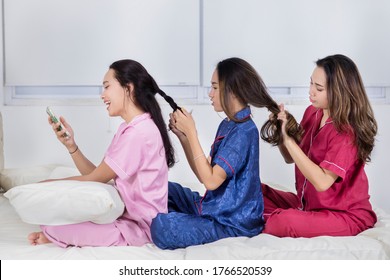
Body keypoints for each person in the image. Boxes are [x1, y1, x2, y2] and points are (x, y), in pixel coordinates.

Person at [150, 57, 300, 249]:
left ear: (233, 90)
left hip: (231, 223)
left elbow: (211, 181)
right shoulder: (228, 124)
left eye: (214, 87)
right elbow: (205, 175)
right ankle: (187, 219)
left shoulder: (244, 131)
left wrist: (192, 133)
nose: (210, 94)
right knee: (162, 187)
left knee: (162, 227)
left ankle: (185, 221)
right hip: (213, 207)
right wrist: (184, 138)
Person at [28, 59, 180, 247]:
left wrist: (45, 186)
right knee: (56, 219)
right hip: (126, 219)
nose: (103, 95)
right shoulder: (131, 128)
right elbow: (97, 174)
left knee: (53, 226)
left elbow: (96, 178)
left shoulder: (138, 134)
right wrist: (71, 146)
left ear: (128, 88)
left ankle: (52, 236)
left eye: (107, 87)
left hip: (139, 229)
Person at [261, 54, 378, 237]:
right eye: (311, 84)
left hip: (345, 216)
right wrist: (281, 131)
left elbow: (322, 181)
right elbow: (290, 157)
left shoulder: (346, 132)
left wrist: (289, 140)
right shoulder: (312, 113)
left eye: (319, 88)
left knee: (282, 222)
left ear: (339, 91)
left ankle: (263, 218)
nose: (311, 91)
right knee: (255, 192)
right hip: (308, 205)